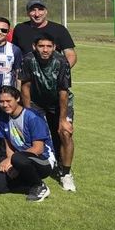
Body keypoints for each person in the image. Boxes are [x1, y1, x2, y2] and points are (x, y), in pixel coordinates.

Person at [19, 33, 76, 192]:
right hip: (37, 103)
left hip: (59, 103)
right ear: (34, 47)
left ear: (54, 47)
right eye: (41, 46)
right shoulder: (28, 60)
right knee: (31, 133)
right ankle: (33, 168)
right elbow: (25, 87)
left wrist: (63, 119)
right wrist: (28, 113)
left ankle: (66, 174)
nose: (45, 50)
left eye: (49, 46)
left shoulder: (61, 62)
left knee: (65, 132)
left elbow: (63, 92)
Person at [0, 86, 55, 202]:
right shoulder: (3, 118)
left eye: (8, 101)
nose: (5, 105)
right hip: (19, 160)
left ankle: (39, 186)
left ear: (17, 98)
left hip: (43, 160)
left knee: (17, 158)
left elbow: (38, 148)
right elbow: (9, 146)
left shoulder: (32, 117)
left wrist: (12, 160)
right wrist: (11, 164)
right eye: (1, 102)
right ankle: (29, 186)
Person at [12, 0, 76, 68]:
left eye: (40, 9)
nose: (37, 14)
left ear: (46, 12)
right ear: (28, 13)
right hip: (27, 75)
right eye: (33, 10)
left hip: (51, 75)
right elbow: (13, 53)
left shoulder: (59, 29)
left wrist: (61, 72)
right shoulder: (20, 29)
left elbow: (70, 55)